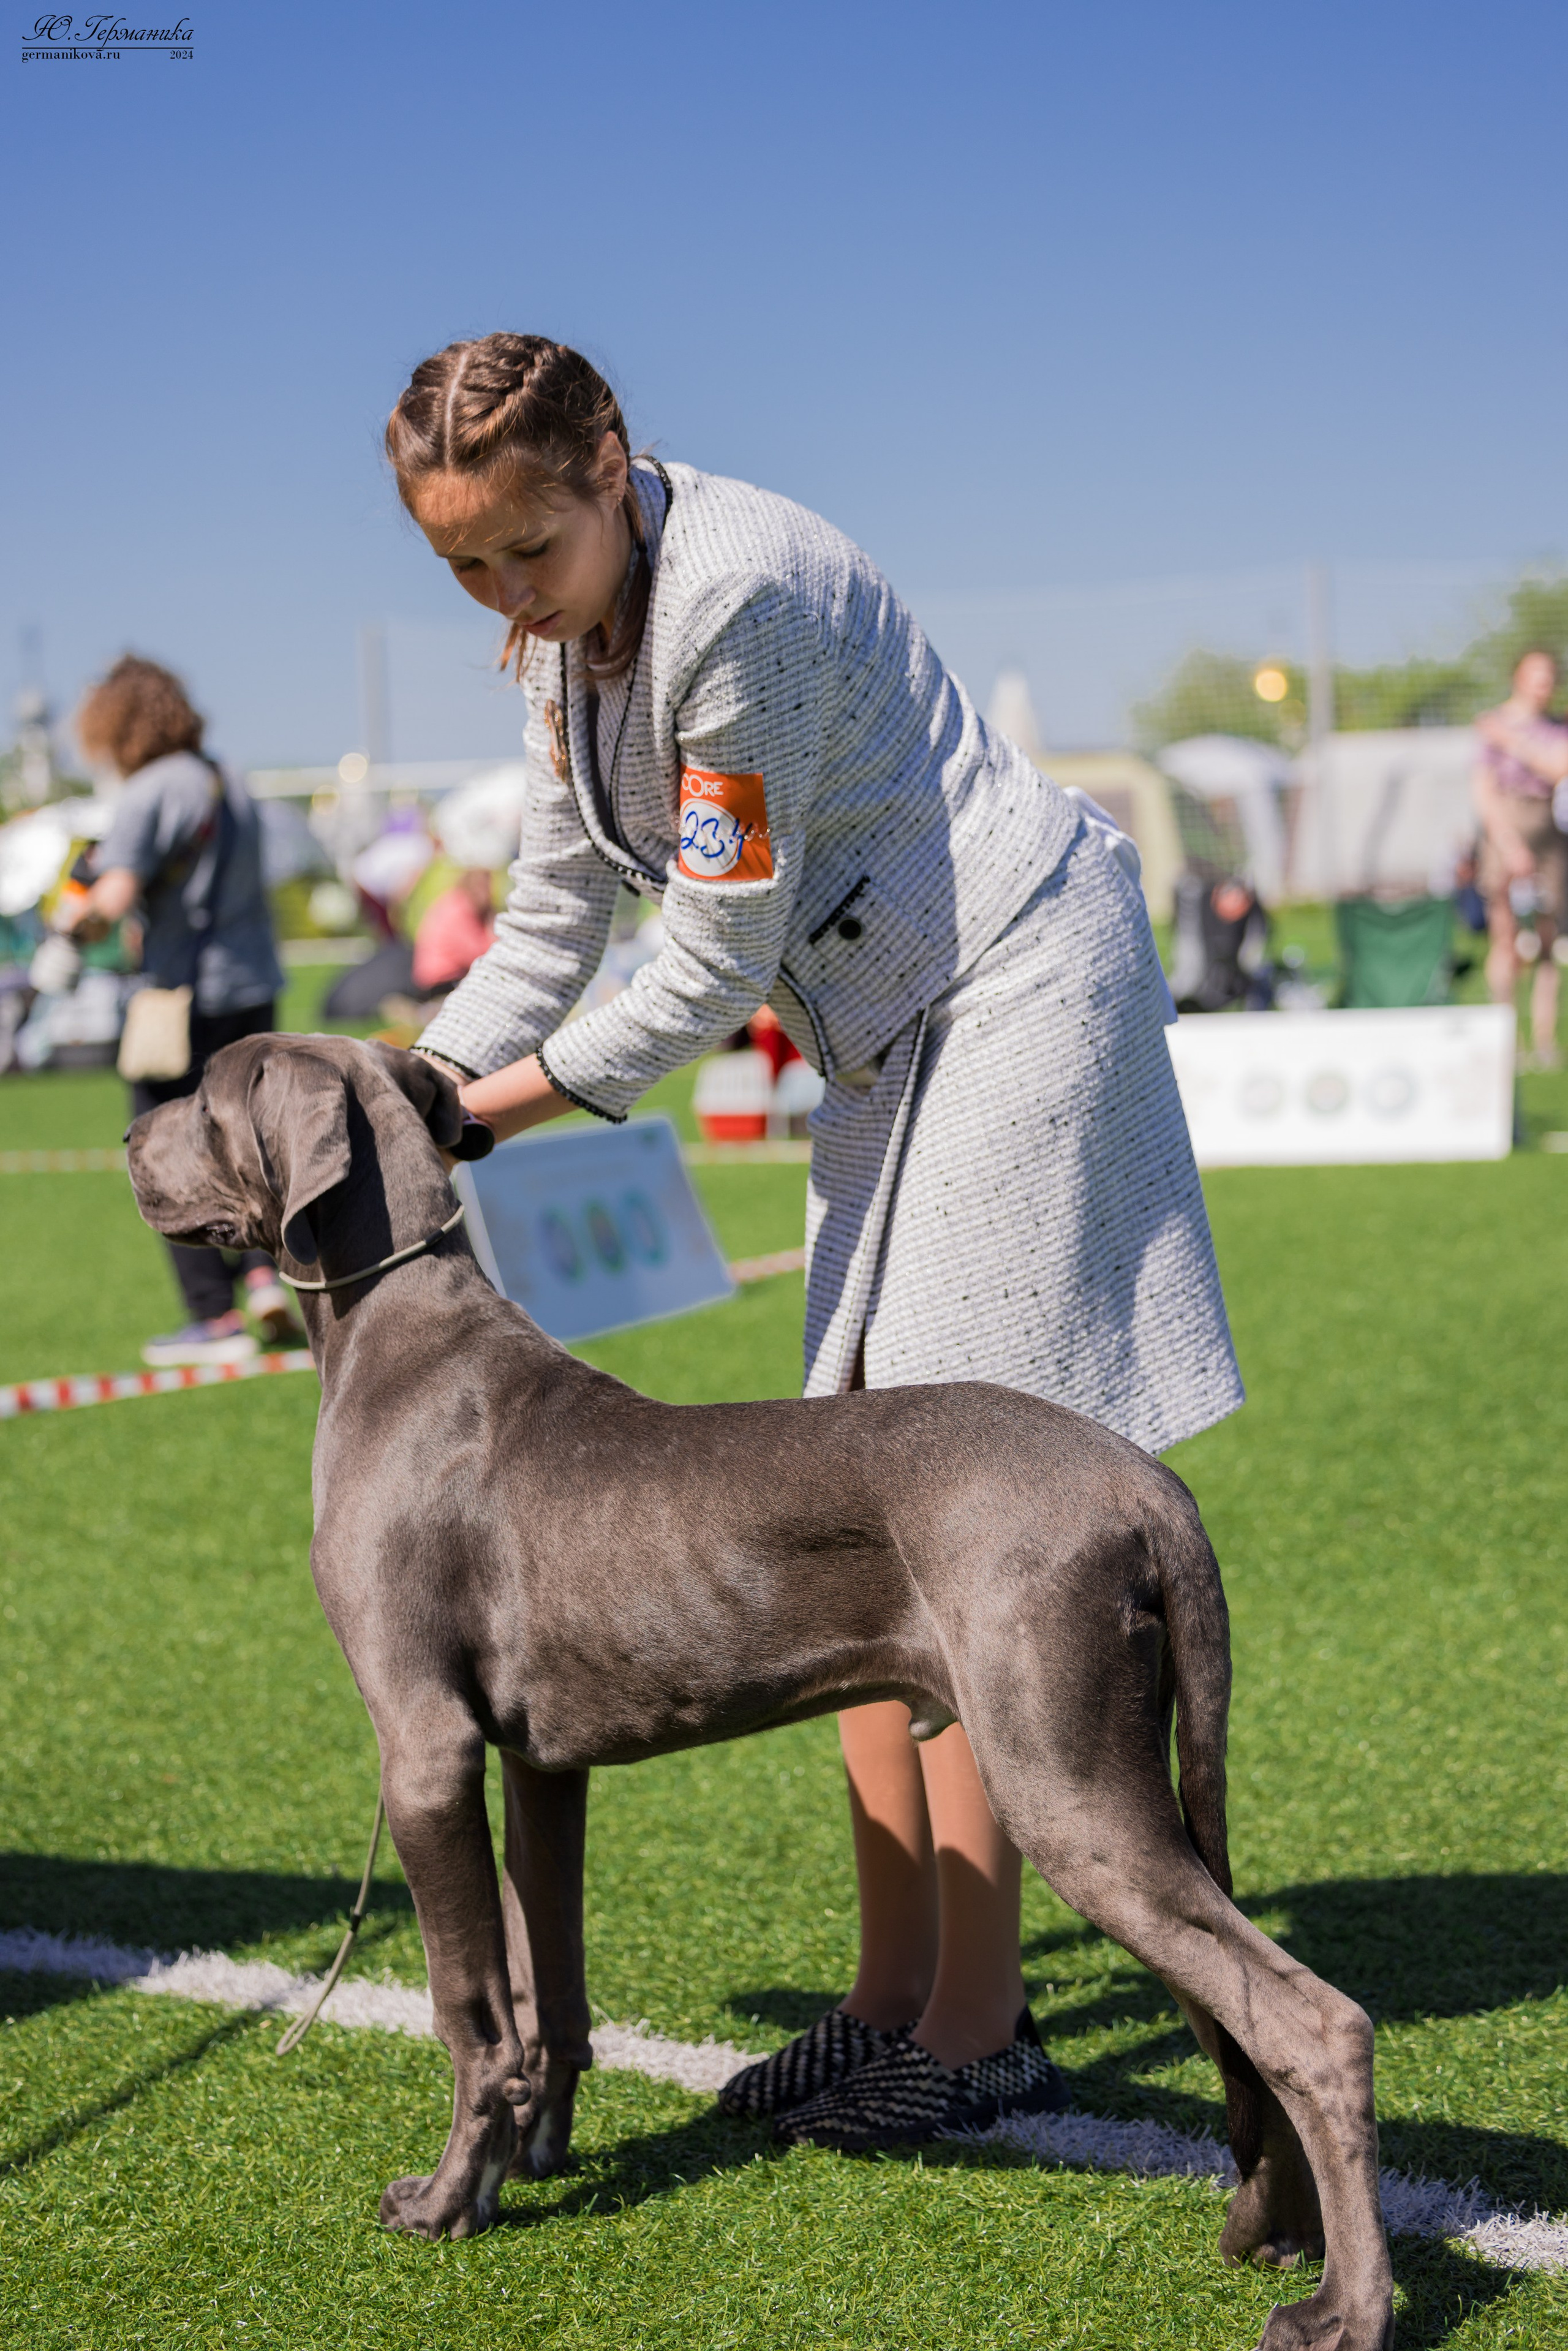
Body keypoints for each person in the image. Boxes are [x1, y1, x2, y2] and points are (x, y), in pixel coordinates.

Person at [391, 334, 1243, 2147]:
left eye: (525, 551)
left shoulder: (737, 599)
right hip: (888, 1016)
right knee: (839, 1479)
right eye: (462, 567)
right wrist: (410, 1075)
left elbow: (699, 964)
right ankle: (885, 2001)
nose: (504, 598)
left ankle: (980, 2018)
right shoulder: (566, 645)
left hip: (1014, 973)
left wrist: (477, 1112)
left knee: (949, 1499)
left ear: (610, 462)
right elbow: (553, 916)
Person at [70, 655, 300, 1365]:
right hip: (253, 986)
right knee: (249, 1140)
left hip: (181, 997)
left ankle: (213, 1316)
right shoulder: (228, 777)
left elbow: (107, 903)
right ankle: (265, 1273)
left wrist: (68, 923)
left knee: (164, 1147)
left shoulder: (148, 792)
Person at [1472, 649, 1568, 1068]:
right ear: (1518, 677)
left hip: (1546, 827)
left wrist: (1512, 740)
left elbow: (1559, 769)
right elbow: (1483, 790)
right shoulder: (1491, 721)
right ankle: (1506, 1039)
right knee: (1505, 938)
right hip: (1505, 827)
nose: (1544, 684)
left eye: (1550, 676)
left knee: (1547, 940)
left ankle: (1544, 1042)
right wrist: (1509, 845)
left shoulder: (1555, 727)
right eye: (1536, 675)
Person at [412, 865, 496, 994]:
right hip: (442, 979)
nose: (487, 893)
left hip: (441, 976)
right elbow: (479, 954)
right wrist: (492, 924)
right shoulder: (461, 908)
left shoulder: (453, 901)